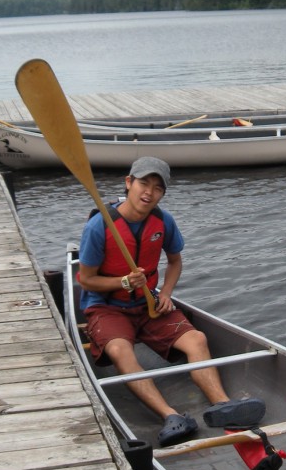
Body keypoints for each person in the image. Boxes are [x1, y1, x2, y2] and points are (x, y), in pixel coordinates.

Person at [78, 156, 263, 446]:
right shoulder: (99, 226)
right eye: (143, 184)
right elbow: (86, 279)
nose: (148, 193)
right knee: (121, 350)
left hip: (148, 304)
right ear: (128, 183)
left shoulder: (163, 221)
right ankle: (171, 416)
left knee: (197, 339)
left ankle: (223, 406)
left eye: (157, 187)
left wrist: (165, 293)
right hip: (107, 307)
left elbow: (175, 261)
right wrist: (123, 282)